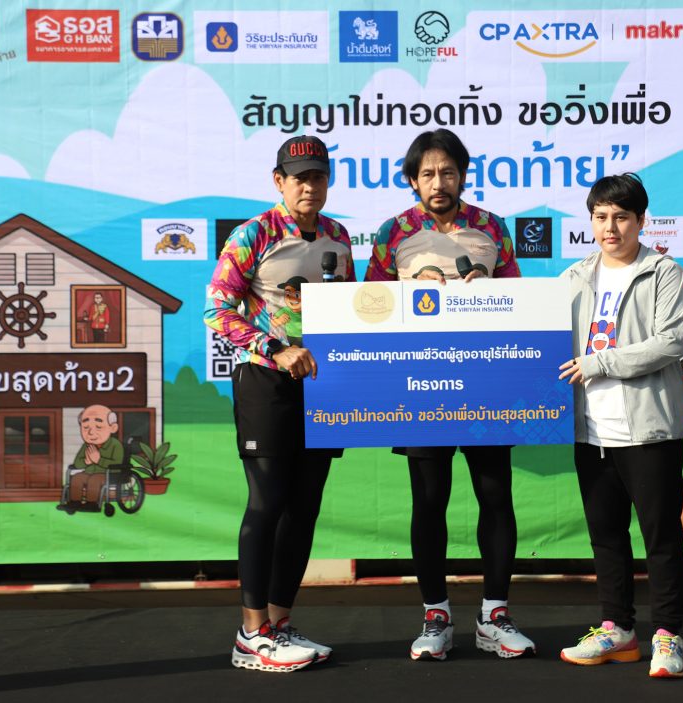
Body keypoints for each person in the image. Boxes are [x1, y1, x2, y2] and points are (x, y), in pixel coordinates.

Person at [366, 128, 534, 661]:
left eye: (448, 172)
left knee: (496, 496)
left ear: (462, 175)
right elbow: (368, 305)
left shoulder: (492, 227)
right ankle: (435, 616)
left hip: (487, 383)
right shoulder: (393, 232)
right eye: (427, 174)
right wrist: (408, 292)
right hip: (421, 385)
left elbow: (519, 299)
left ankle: (494, 616)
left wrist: (489, 289)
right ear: (412, 180)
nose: (438, 182)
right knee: (429, 500)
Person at [204, 135, 355, 673]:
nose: (309, 186)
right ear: (279, 181)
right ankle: (250, 634)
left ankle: (278, 624)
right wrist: (275, 347)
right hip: (266, 381)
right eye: (299, 177)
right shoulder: (254, 233)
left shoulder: (338, 236)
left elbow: (352, 306)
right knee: (267, 502)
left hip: (322, 385)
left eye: (318, 176)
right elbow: (217, 309)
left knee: (304, 507)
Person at [557, 174, 683, 678]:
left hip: (648, 431)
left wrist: (600, 362)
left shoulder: (664, 273)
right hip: (590, 432)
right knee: (606, 537)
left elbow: (671, 342)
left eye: (620, 217)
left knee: (662, 538)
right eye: (600, 217)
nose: (610, 227)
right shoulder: (573, 277)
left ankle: (668, 636)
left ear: (640, 220)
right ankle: (617, 630)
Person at [58, 404, 122, 511]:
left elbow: (118, 463)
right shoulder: (87, 445)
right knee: (77, 478)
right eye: (86, 428)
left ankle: (92, 504)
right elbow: (77, 462)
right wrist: (85, 462)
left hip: (109, 474)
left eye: (98, 427)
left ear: (113, 428)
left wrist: (99, 460)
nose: (91, 432)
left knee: (94, 480)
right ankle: (74, 503)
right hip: (89, 472)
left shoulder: (115, 445)